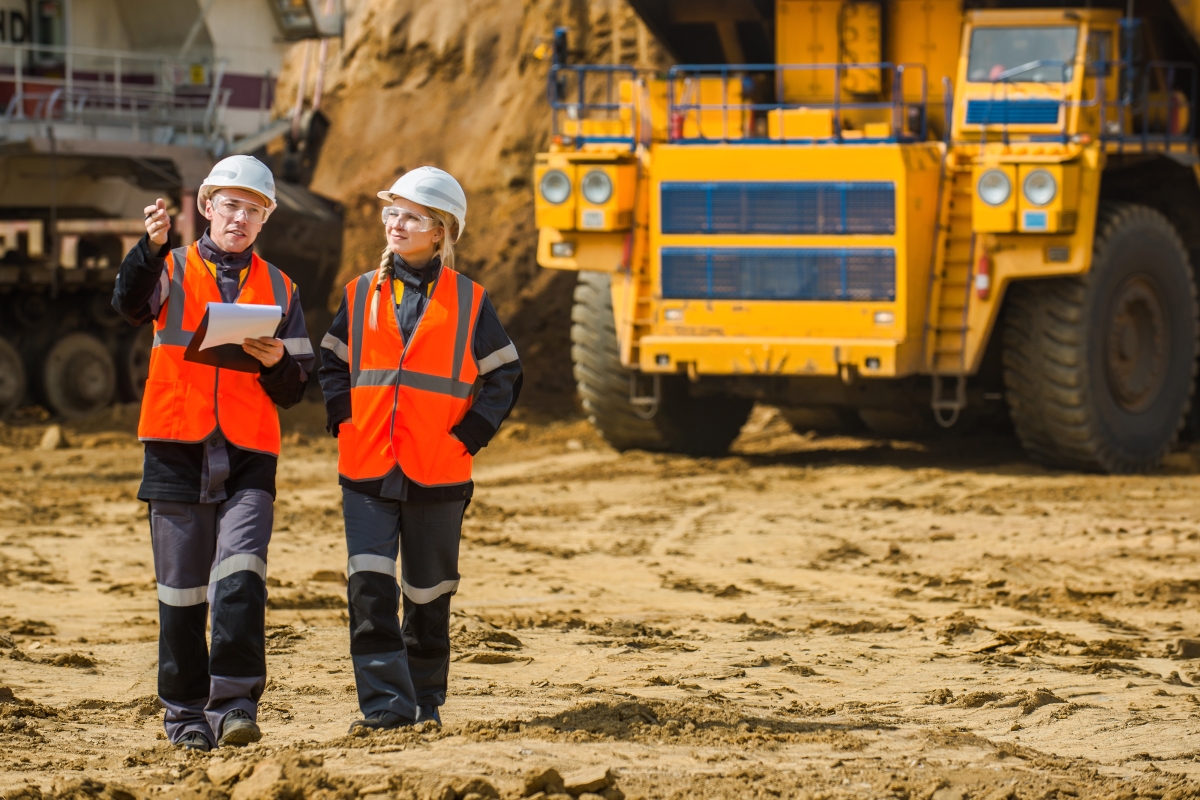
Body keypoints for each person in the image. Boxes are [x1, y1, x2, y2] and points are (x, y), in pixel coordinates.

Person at [112, 155, 314, 751]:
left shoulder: (281, 288)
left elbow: (297, 386)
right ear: (206, 207)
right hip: (177, 445)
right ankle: (184, 715)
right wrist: (147, 248)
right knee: (181, 592)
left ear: (265, 220)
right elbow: (128, 304)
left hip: (250, 451)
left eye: (255, 210)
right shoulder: (168, 268)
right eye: (231, 205)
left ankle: (233, 706)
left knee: (241, 578)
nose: (241, 218)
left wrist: (279, 362)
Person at [319, 166, 521, 731]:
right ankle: (385, 707)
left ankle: (426, 701)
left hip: (439, 469)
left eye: (410, 216)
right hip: (367, 466)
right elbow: (332, 359)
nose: (395, 224)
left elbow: (505, 374)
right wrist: (345, 417)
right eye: (391, 213)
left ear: (441, 231)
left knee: (429, 595)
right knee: (370, 589)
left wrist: (469, 435)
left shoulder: (471, 301)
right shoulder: (360, 292)